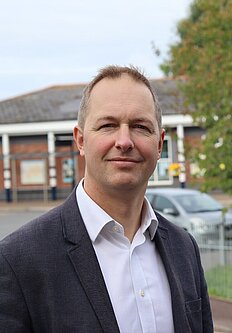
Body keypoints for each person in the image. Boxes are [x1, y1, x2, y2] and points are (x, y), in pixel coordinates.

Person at [0, 66, 213, 332]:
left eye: (140, 127)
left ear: (159, 145)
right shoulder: (17, 260)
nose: (124, 141)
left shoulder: (184, 248)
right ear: (80, 140)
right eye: (108, 125)